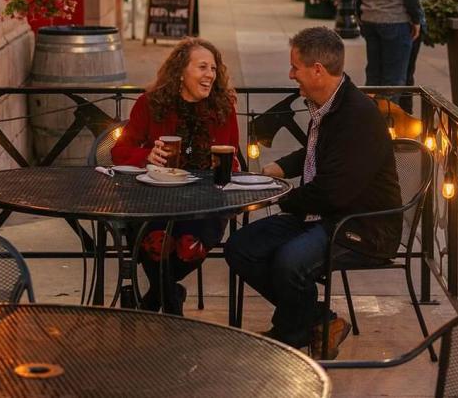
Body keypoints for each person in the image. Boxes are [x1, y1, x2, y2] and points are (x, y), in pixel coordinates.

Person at [224, 27, 402, 359]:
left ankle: (292, 336)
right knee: (242, 247)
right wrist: (273, 171)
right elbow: (313, 152)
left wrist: (277, 197)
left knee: (289, 261)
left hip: (361, 225)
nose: (291, 75)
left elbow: (333, 192)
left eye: (296, 67)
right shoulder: (327, 105)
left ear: (317, 69)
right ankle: (319, 322)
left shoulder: (357, 116)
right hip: (320, 213)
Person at [111, 37, 240, 314]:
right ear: (181, 71)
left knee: (187, 246)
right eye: (202, 67)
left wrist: (229, 167)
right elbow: (120, 151)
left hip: (206, 202)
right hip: (155, 196)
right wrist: (146, 157)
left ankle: (155, 301)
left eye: (214, 69)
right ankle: (171, 303)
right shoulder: (151, 103)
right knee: (152, 240)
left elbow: (234, 157)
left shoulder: (223, 107)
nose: (210, 75)